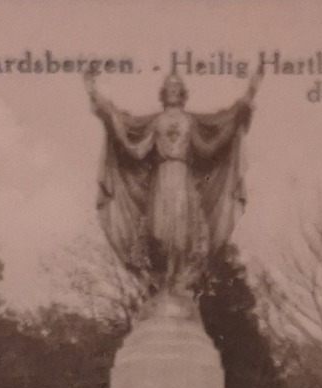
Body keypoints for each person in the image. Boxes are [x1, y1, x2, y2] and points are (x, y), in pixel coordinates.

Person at [84, 69, 261, 301]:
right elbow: (136, 149)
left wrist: (247, 98)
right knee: (158, 231)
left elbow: (209, 146)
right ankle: (163, 284)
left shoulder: (189, 121)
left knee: (182, 233)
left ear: (183, 93)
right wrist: (100, 102)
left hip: (183, 179)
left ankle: (178, 285)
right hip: (161, 179)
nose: (173, 92)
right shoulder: (157, 122)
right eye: (169, 89)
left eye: (177, 89)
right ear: (163, 93)